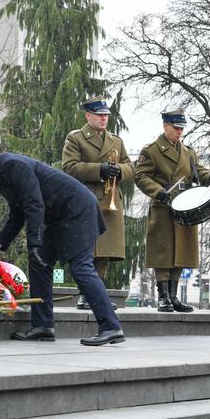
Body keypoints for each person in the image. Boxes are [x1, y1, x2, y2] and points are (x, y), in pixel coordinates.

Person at [0, 141, 124, 346]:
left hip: (76, 210)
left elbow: (34, 203)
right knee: (39, 263)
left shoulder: (12, 165)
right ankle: (43, 326)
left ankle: (111, 327)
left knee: (81, 268)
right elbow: (18, 214)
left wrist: (35, 242)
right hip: (59, 216)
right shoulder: (2, 175)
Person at [134, 109, 210, 313]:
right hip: (164, 206)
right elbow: (140, 176)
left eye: (182, 128)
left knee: (181, 251)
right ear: (165, 126)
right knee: (163, 252)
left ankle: (173, 297)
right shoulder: (152, 150)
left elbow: (197, 170)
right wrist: (158, 191)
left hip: (185, 206)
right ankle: (163, 297)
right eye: (176, 128)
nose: (179, 132)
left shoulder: (188, 151)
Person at [62, 97, 134, 310]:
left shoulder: (116, 141)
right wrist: (100, 169)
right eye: (100, 115)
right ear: (88, 116)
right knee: (87, 249)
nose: (104, 119)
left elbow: (130, 166)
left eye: (106, 115)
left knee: (104, 252)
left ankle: (97, 294)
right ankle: (86, 294)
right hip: (86, 198)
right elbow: (70, 167)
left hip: (109, 200)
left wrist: (119, 171)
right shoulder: (76, 138)